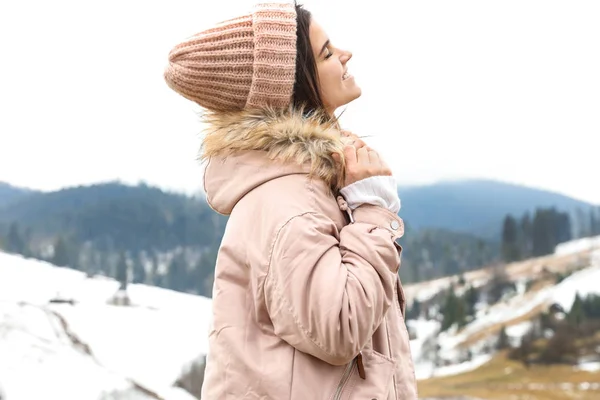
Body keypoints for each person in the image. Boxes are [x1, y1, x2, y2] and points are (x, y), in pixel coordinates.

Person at [164, 2, 417, 399]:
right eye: (328, 53)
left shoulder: (305, 186)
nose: (345, 55)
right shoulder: (287, 199)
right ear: (294, 87)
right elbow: (339, 325)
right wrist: (371, 213)